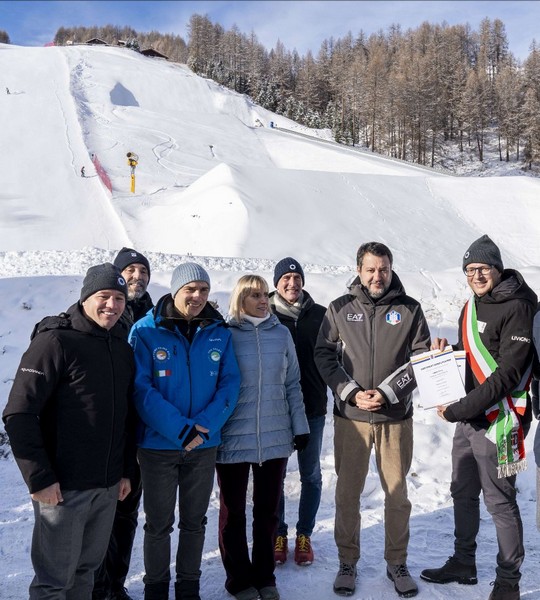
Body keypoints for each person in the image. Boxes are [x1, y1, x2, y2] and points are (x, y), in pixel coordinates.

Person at [2, 263, 136, 599]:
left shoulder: (120, 347)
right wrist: (40, 478)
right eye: (104, 296)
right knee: (54, 581)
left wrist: (125, 472)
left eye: (119, 298)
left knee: (85, 574)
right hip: (62, 488)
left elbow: (126, 417)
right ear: (87, 297)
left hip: (106, 487)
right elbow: (19, 413)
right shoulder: (55, 341)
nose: (112, 305)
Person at [420, 235, 537, 600]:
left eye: (482, 268)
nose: (476, 275)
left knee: (500, 501)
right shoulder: (472, 306)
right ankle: (463, 562)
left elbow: (507, 375)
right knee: (463, 491)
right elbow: (472, 355)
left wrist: (459, 409)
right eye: (470, 270)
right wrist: (446, 354)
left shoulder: (518, 307)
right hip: (470, 418)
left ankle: (508, 582)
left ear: (497, 268)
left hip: (501, 419)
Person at [314, 242, 431, 598]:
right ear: (359, 270)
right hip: (351, 419)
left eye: (383, 269)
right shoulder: (339, 309)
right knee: (347, 494)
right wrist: (349, 391)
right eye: (370, 269)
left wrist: (388, 391)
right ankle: (347, 562)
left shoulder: (409, 309)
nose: (377, 276)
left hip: (395, 417)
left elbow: (421, 357)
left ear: (391, 269)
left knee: (397, 496)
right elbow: (324, 354)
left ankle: (397, 563)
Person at [129, 262, 241, 600]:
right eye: (190, 289)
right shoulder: (146, 331)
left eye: (203, 290)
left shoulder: (219, 331)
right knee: (159, 524)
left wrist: (205, 426)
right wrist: (180, 430)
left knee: (195, 521)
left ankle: (188, 586)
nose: (197, 296)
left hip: (204, 446)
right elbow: (140, 389)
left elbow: (230, 383)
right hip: (158, 446)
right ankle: (156, 587)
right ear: (176, 290)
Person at [216, 275, 309, 600]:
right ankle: (239, 580)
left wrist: (300, 427)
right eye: (253, 295)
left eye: (263, 294)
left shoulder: (281, 334)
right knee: (233, 512)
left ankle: (265, 575)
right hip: (232, 437)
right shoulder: (224, 335)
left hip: (275, 436)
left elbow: (293, 384)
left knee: (268, 512)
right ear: (240, 299)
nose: (261, 300)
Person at [93, 248, 154, 600]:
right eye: (130, 270)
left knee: (127, 513)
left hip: (138, 431)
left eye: (143, 271)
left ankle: (115, 585)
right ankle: (96, 587)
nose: (137, 277)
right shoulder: (104, 314)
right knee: (100, 516)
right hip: (105, 432)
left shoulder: (153, 315)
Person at [269, 257, 327, 566]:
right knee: (275, 475)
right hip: (275, 409)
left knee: (311, 474)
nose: (292, 283)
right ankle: (278, 533)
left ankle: (304, 534)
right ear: (276, 282)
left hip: (312, 407)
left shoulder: (321, 315)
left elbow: (338, 355)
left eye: (296, 277)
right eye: (286, 278)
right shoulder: (266, 314)